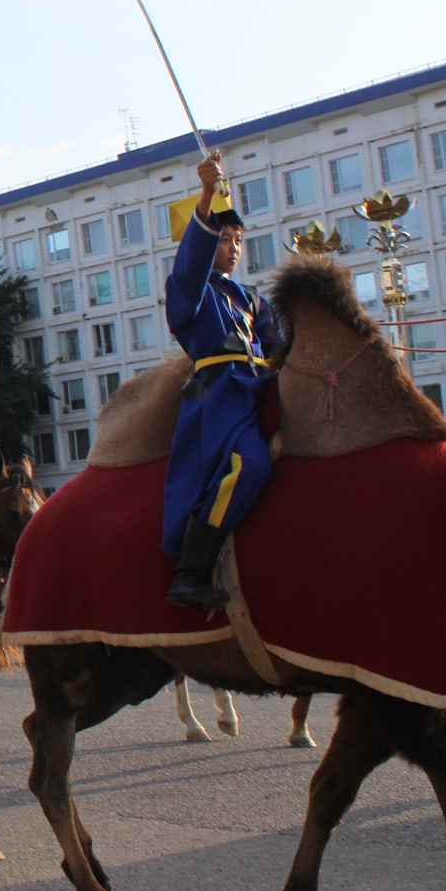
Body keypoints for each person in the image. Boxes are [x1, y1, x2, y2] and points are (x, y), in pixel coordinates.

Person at [162, 151, 288, 611]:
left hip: (260, 390)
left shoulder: (251, 299)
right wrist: (205, 196)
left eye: (238, 239)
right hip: (220, 399)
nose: (233, 247)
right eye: (223, 238)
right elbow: (191, 265)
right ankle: (191, 572)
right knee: (249, 465)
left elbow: (280, 345)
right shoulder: (188, 290)